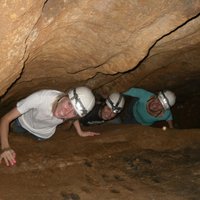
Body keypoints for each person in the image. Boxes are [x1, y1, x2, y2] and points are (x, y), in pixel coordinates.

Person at [0, 86, 96, 167]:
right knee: (13, 133)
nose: (66, 112)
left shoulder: (72, 115)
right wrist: (5, 147)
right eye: (69, 104)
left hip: (42, 135)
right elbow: (5, 119)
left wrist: (80, 132)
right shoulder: (40, 98)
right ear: (65, 96)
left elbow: (75, 118)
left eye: (74, 112)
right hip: (23, 123)